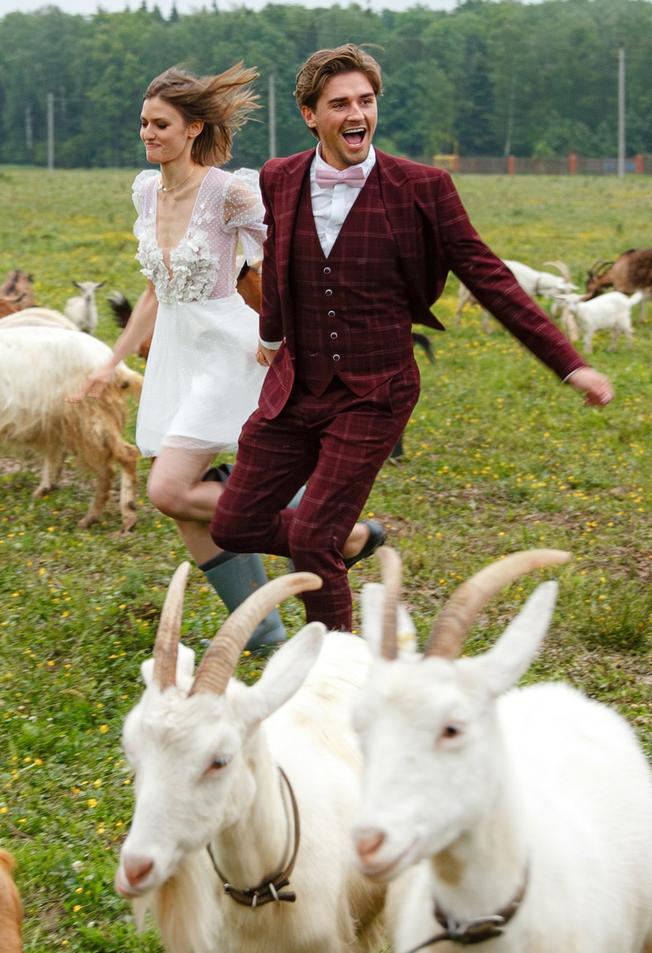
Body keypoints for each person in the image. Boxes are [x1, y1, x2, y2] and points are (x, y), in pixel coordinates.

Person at [210, 44, 614, 632]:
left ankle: (337, 675)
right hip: (295, 387)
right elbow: (277, 264)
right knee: (234, 525)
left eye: (366, 101)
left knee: (312, 544)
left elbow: (490, 277)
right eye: (340, 103)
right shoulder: (280, 176)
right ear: (309, 114)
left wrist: (570, 365)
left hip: (374, 392)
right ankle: (339, 539)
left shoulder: (423, 187)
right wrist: (270, 333)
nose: (357, 114)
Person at [74, 64, 376, 648]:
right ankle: (263, 632)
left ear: (193, 129)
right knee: (190, 507)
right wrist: (111, 362)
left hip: (228, 351)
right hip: (173, 358)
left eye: (160, 124)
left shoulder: (228, 192)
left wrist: (286, 332)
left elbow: (287, 258)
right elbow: (155, 286)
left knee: (168, 489)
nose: (147, 134)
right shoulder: (145, 190)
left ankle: (341, 538)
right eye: (143, 123)